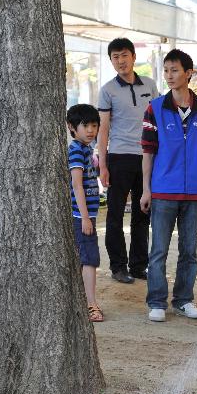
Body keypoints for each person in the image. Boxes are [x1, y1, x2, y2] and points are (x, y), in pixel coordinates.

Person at [140, 49, 197, 322]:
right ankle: (156, 301)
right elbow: (147, 152)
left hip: (193, 193)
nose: (169, 75)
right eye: (166, 70)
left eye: (174, 70)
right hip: (162, 191)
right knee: (158, 250)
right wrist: (146, 190)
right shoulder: (155, 108)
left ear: (188, 72)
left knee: (190, 252)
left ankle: (183, 300)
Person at [97, 38, 159, 284]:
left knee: (142, 213)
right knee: (114, 214)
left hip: (146, 157)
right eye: (115, 57)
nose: (120, 61)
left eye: (124, 55)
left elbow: (158, 123)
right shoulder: (107, 90)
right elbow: (103, 129)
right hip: (119, 157)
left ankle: (138, 266)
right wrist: (102, 164)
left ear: (134, 57)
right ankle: (118, 266)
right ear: (111, 61)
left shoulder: (151, 85)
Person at [66, 104, 104, 322]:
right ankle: (91, 305)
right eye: (85, 125)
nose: (91, 130)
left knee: (85, 259)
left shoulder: (86, 149)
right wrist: (85, 217)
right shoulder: (77, 151)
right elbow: (77, 185)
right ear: (72, 127)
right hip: (81, 217)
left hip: (85, 216)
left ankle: (85, 302)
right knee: (89, 260)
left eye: (94, 125)